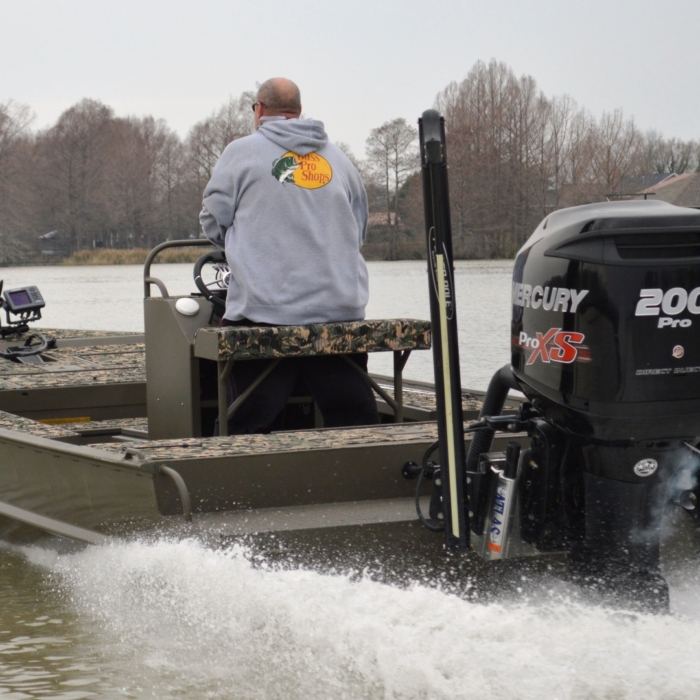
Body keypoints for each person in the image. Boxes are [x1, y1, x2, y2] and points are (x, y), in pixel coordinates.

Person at [200, 77, 379, 434]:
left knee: (247, 416)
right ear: (298, 112)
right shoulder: (338, 157)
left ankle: (235, 465)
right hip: (338, 313)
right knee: (353, 413)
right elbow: (359, 230)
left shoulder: (241, 152)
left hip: (266, 315)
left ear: (260, 110)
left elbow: (212, 220)